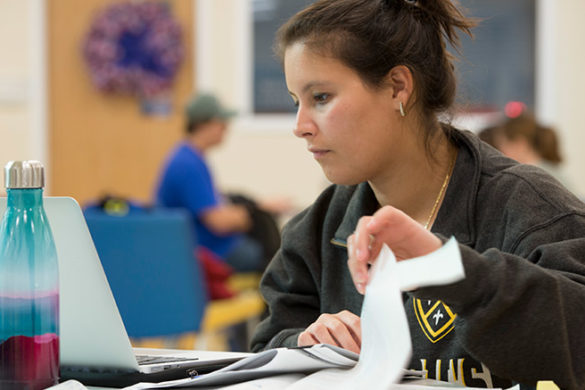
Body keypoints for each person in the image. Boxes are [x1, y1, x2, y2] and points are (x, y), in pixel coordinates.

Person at [250, 0, 585, 388]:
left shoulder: (532, 208)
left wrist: (450, 269)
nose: (300, 126)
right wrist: (303, 345)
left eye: (321, 97)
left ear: (398, 87)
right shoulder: (314, 231)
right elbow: (266, 348)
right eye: (296, 103)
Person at [155, 93, 273, 276]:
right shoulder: (187, 164)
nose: (226, 128)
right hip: (209, 251)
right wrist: (251, 214)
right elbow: (219, 222)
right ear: (203, 124)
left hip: (209, 246)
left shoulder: (190, 157)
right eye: (222, 123)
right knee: (275, 257)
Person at [478, 113, 574, 192]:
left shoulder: (533, 179)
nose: (499, 154)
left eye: (502, 146)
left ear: (519, 145)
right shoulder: (551, 172)